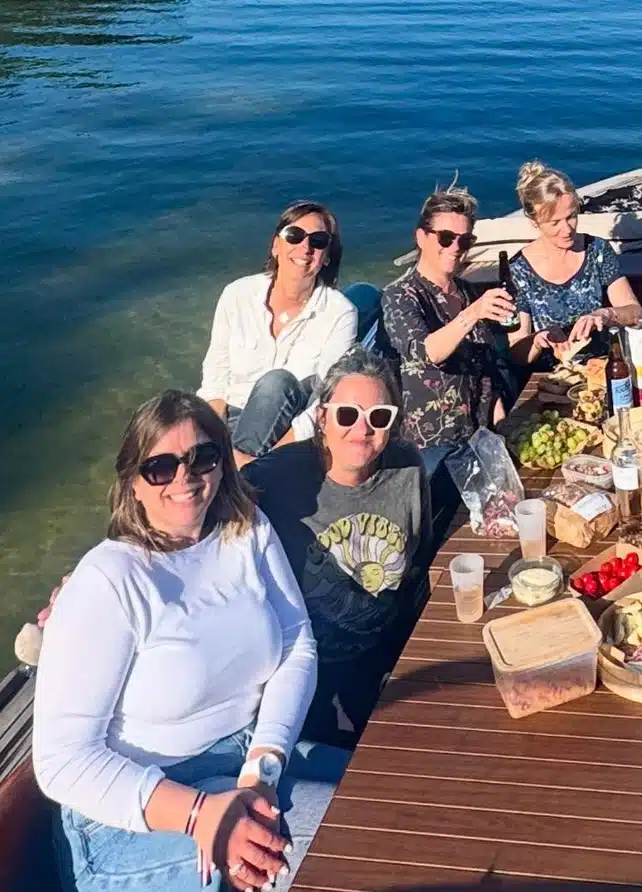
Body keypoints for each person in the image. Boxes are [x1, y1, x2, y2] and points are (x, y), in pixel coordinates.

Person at [33, 390, 346, 892]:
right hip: (128, 811)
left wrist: (262, 769)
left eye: (202, 457)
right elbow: (62, 763)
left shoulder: (246, 531)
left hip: (245, 759)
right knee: (322, 853)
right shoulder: (108, 581)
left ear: (222, 464)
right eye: (160, 466)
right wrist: (202, 815)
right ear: (134, 483)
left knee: (384, 798)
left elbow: (296, 645)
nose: (185, 477)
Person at [249, 346, 431, 749]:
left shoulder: (407, 469)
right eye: (347, 415)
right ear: (322, 418)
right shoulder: (273, 478)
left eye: (378, 417)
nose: (362, 429)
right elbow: (199, 510)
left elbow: (417, 568)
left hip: (380, 653)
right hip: (303, 665)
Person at [376, 186, 513, 523]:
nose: (455, 248)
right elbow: (425, 353)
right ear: (422, 237)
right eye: (446, 237)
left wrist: (500, 418)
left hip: (478, 439)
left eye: (464, 241)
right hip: (431, 446)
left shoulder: (467, 291)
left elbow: (485, 363)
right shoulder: (401, 296)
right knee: (436, 533)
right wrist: (473, 314)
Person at [200, 200, 357, 467]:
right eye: (294, 236)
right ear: (276, 246)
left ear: (327, 256)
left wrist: (271, 456)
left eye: (318, 241)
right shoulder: (237, 294)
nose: (305, 248)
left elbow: (325, 401)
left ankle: (231, 476)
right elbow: (217, 369)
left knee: (277, 383)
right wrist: (215, 437)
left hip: (291, 429)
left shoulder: (340, 313)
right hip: (229, 417)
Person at [507, 161, 641, 357]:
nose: (567, 229)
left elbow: (634, 311)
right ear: (534, 222)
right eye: (554, 223)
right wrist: (537, 341)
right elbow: (518, 352)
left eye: (571, 217)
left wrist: (604, 314)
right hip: (551, 377)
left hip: (602, 364)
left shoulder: (597, 250)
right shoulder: (518, 269)